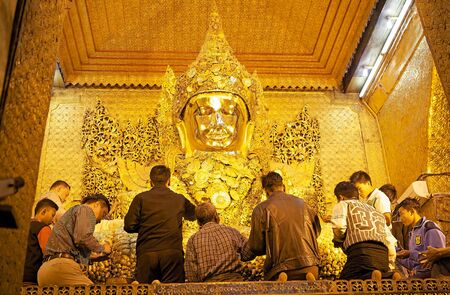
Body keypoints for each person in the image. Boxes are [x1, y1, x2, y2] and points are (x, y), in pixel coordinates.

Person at [124, 165, 196, 283]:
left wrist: (146, 226)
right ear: (169, 180)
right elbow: (194, 215)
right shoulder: (179, 199)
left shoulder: (140, 198)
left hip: (147, 253)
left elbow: (129, 226)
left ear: (150, 181)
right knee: (173, 291)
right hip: (172, 254)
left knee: (146, 290)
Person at [248, 171, 321, 281]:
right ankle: (308, 273)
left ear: (266, 191)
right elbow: (316, 232)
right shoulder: (303, 204)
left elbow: (256, 247)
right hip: (310, 264)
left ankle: (283, 276)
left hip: (280, 269)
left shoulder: (261, 209)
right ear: (283, 186)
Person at [37, 194, 112, 286]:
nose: (101, 220)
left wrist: (93, 257)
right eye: (103, 213)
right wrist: (102, 248)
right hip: (60, 268)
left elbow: (74, 246)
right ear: (96, 204)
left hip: (46, 271)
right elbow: (82, 237)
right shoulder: (85, 209)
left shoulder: (75, 214)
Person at [331, 181, 393, 280]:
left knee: (345, 281)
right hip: (383, 254)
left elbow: (339, 226)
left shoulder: (343, 204)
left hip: (361, 252)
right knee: (375, 279)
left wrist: (338, 240)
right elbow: (389, 240)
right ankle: (389, 276)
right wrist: (391, 265)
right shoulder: (373, 210)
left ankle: (373, 276)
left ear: (341, 197)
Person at [185, 202, 255, 282]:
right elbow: (248, 254)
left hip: (208, 288)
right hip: (235, 284)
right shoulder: (230, 231)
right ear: (216, 216)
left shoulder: (193, 240)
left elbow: (191, 273)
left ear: (198, 222)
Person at [396, 198, 446, 278]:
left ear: (412, 212)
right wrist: (396, 255)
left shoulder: (428, 226)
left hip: (432, 277)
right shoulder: (412, 233)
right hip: (419, 275)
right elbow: (414, 263)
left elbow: (436, 255)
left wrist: (410, 253)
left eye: (401, 214)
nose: (400, 219)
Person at [23, 199, 59, 285]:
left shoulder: (24, 226)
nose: (53, 220)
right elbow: (50, 252)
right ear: (43, 211)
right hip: (33, 276)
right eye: (52, 215)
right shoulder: (43, 228)